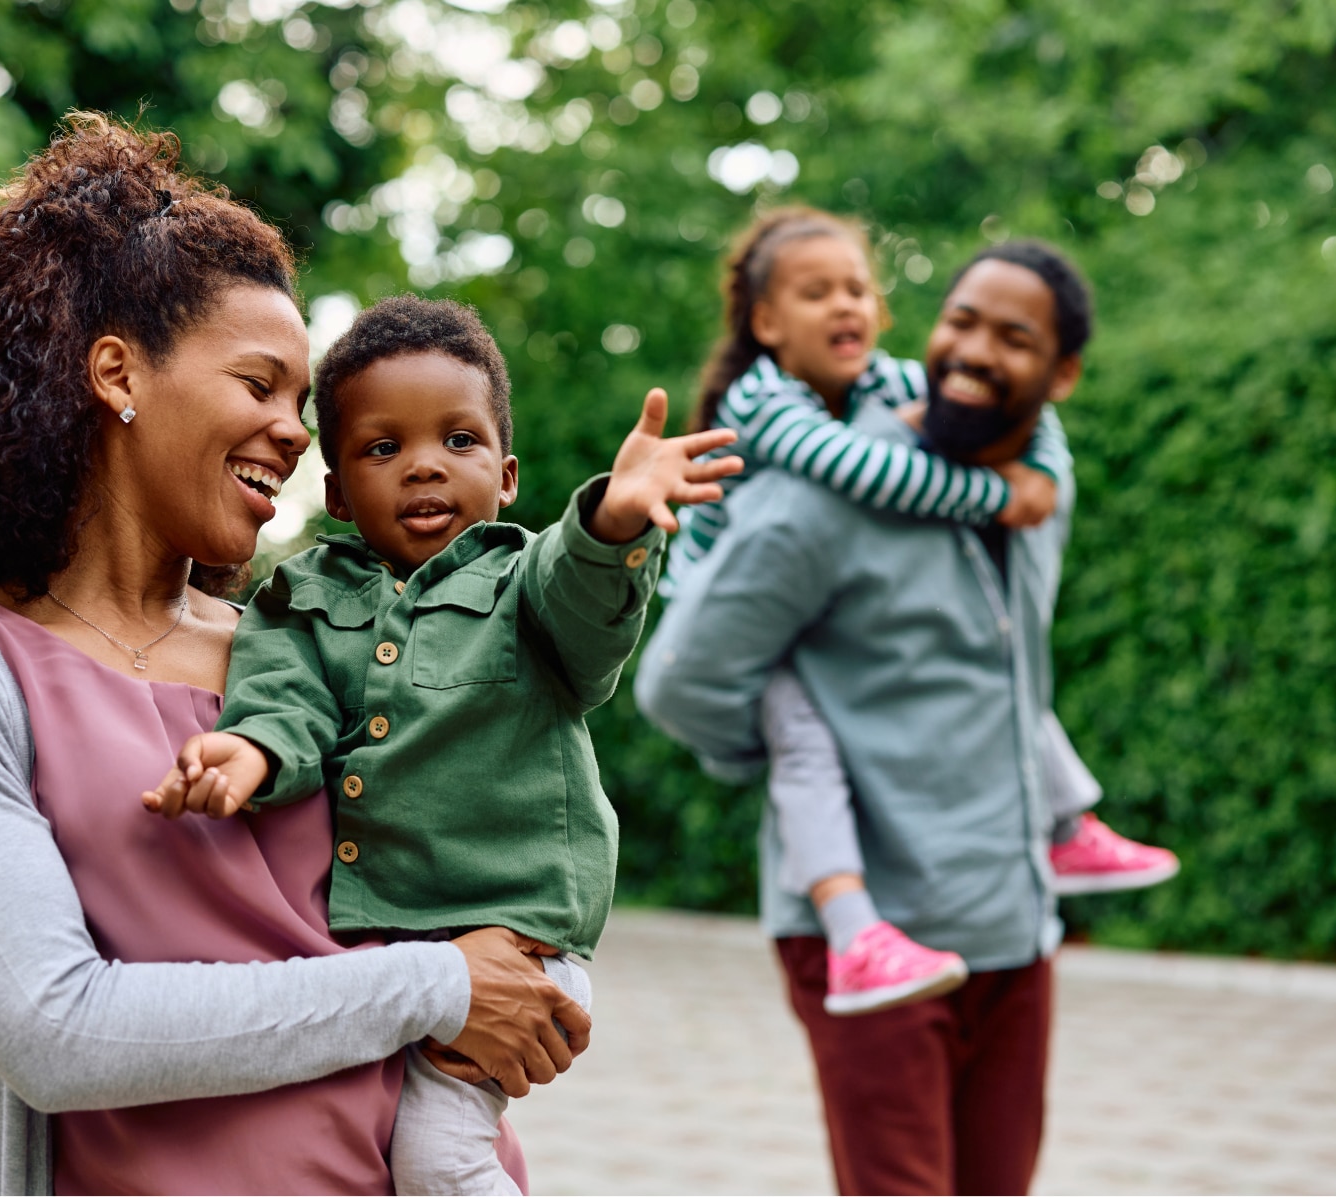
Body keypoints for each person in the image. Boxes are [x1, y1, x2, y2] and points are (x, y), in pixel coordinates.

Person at [0, 114, 586, 1195]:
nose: (296, 432)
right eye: (260, 385)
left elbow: (505, 857)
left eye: (304, 404)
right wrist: (436, 985)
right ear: (117, 375)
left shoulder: (315, 651)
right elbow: (59, 1033)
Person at [142, 295, 741, 1195]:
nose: (424, 467)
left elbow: (581, 597)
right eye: (385, 448)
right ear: (338, 490)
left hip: (517, 945)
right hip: (398, 953)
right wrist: (250, 754)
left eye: (457, 441)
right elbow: (283, 699)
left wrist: (613, 523)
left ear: (504, 475)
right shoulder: (300, 599)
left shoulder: (522, 584)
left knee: (437, 1159)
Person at [636, 239, 1116, 1194]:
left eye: (1012, 338)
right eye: (963, 320)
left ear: (1061, 375)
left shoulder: (1037, 497)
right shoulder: (819, 496)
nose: (973, 350)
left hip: (1014, 928)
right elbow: (680, 683)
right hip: (874, 934)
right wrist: (794, 750)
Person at [663, 207, 1176, 1017]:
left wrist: (1046, 463)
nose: (845, 306)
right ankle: (852, 926)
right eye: (815, 292)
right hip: (724, 608)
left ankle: (1065, 821)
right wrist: (1000, 492)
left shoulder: (885, 381)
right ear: (766, 322)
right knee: (807, 745)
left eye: (858, 288)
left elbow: (1025, 423)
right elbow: (874, 474)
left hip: (989, 898)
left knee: (993, 656)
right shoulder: (763, 403)